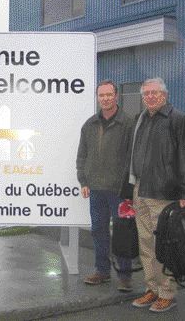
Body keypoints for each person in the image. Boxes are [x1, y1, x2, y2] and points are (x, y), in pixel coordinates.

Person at [129, 77, 185, 312]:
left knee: (164, 245)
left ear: (165, 95)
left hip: (164, 193)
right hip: (141, 189)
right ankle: (152, 288)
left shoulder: (178, 119)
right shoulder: (141, 119)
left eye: (154, 93)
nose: (150, 97)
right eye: (146, 93)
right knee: (145, 243)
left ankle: (167, 291)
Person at [76, 80, 134, 292]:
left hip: (119, 190)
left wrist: (129, 187)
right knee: (98, 230)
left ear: (116, 96)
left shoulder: (128, 123)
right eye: (102, 95)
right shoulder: (89, 124)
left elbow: (132, 158)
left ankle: (125, 276)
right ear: (97, 97)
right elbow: (82, 155)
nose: (105, 98)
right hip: (96, 189)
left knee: (123, 232)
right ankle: (102, 271)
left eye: (109, 95)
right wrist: (83, 180)